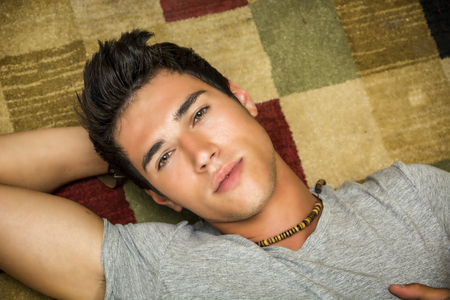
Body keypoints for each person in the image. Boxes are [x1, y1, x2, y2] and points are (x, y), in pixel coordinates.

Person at [0, 29, 449, 300]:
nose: (202, 154)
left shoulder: (412, 196)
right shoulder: (158, 270)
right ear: (157, 196)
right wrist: (116, 147)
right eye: (166, 156)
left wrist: (144, 151)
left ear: (243, 99)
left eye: (199, 114)